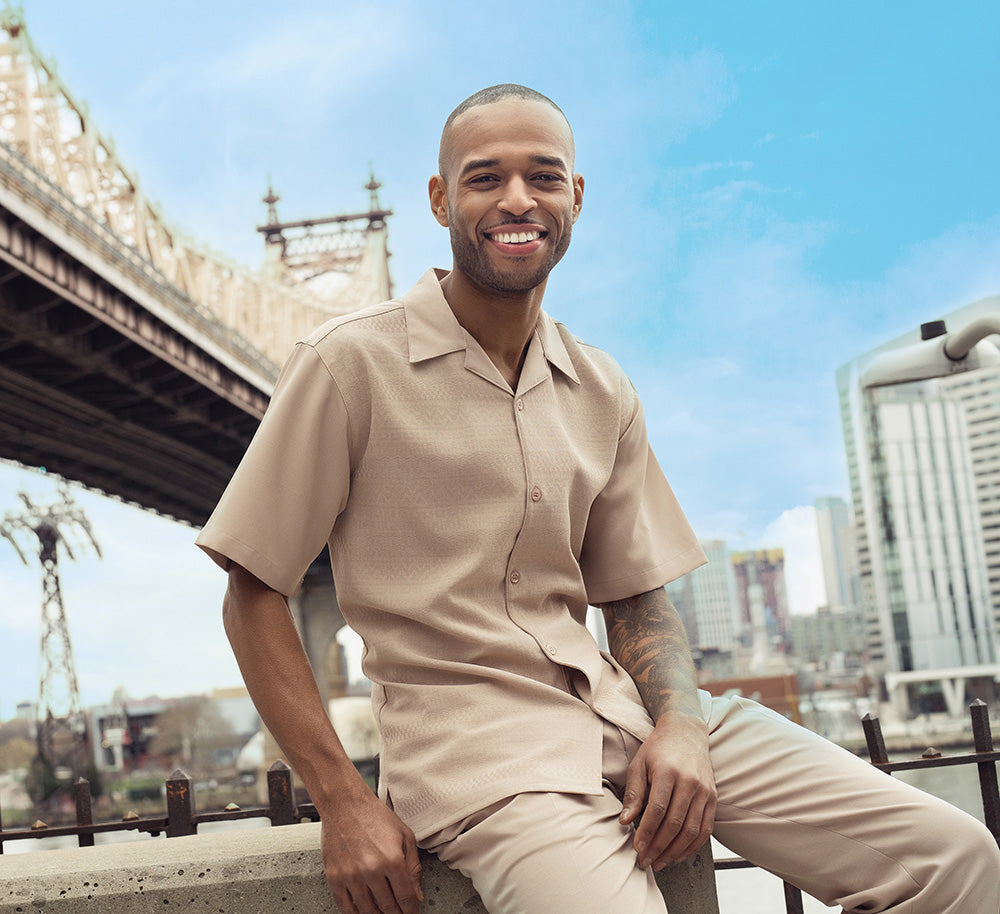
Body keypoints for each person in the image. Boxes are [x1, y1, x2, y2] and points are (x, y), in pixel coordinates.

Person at [196, 85, 1000, 914]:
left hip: (628, 717)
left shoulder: (602, 387)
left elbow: (637, 596)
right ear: (440, 200)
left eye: (544, 176)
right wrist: (343, 802)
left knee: (957, 858)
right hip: (482, 764)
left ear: (575, 197)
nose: (517, 200)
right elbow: (254, 587)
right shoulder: (346, 366)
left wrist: (684, 726)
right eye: (484, 178)